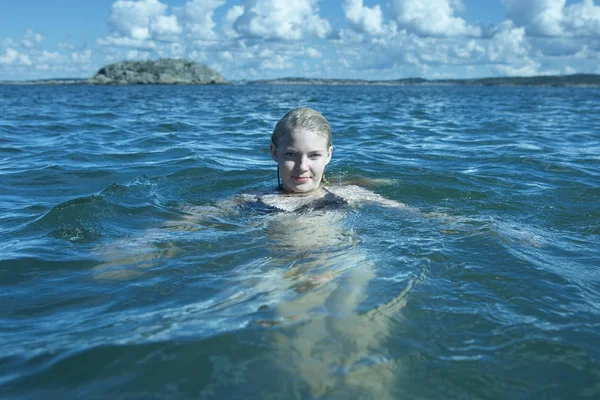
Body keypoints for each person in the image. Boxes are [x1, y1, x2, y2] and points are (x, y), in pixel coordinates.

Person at [237, 106, 410, 213]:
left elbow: (408, 212)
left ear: (329, 155)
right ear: (274, 153)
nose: (302, 166)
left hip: (337, 260)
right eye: (291, 154)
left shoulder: (346, 194)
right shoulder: (255, 200)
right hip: (278, 262)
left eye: (314, 155)